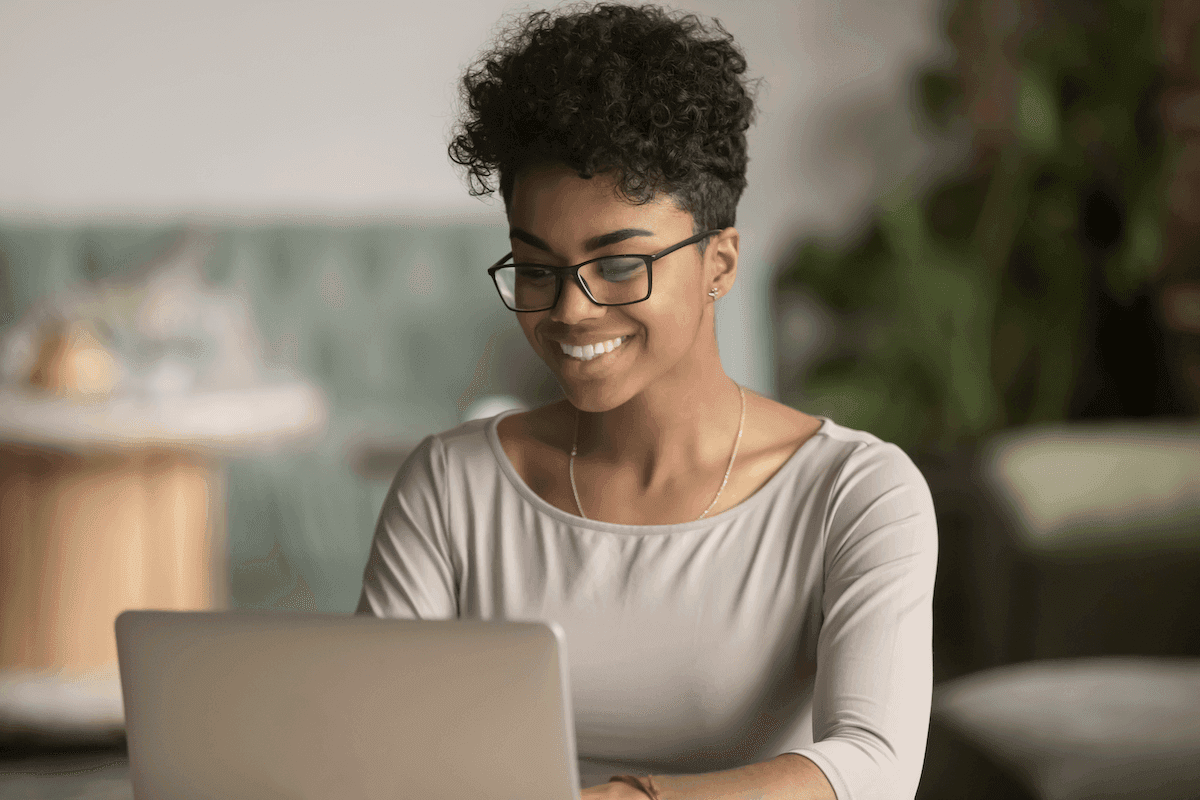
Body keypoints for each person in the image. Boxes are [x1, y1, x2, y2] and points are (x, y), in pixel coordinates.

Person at [356, 4, 938, 799]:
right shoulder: (452, 489)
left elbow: (875, 766)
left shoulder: (857, 494)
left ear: (720, 263)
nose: (569, 310)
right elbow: (374, 749)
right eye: (536, 270)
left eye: (620, 264)